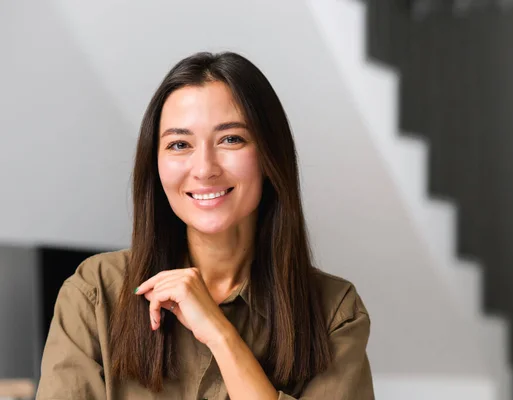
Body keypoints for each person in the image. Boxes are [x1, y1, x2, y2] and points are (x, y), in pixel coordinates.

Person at [36, 51, 374, 399]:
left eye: (231, 139)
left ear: (270, 156)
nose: (204, 169)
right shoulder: (95, 293)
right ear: (156, 166)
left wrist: (219, 334)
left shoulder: (335, 312)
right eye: (179, 144)